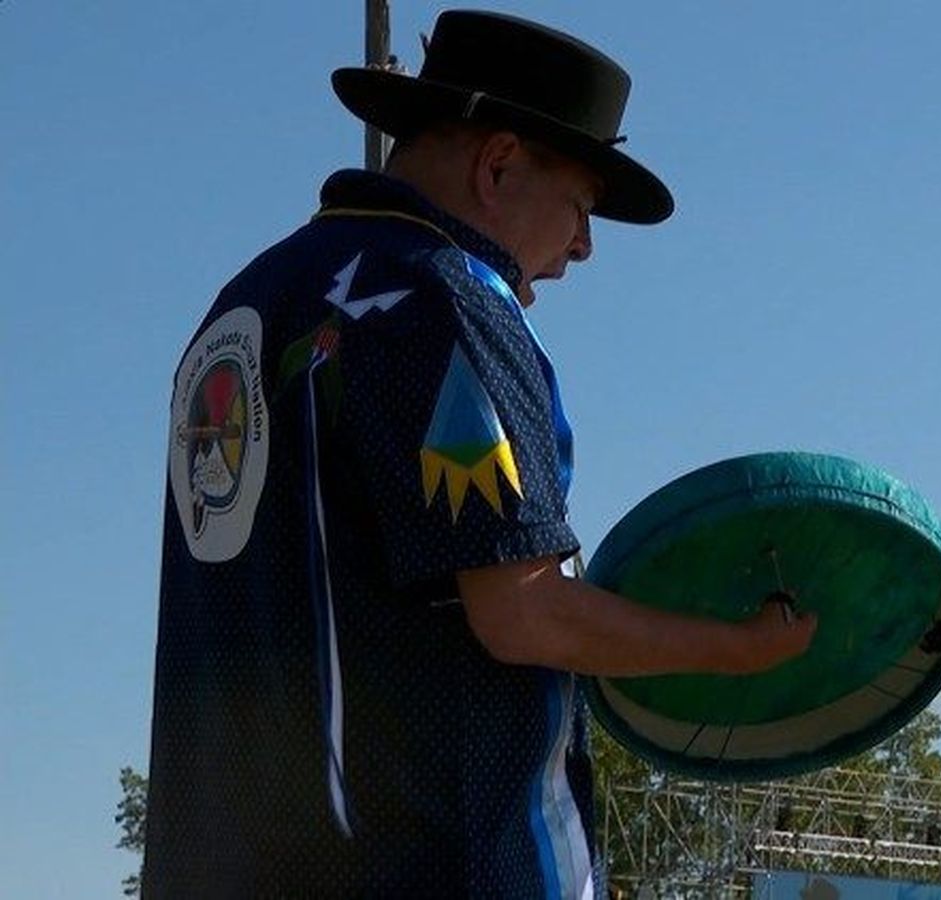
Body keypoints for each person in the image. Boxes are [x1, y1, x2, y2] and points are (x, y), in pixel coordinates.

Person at [143, 10, 816, 896]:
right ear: (498, 165)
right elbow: (522, 611)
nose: (583, 245)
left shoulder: (247, 303)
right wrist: (735, 651)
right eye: (580, 204)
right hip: (432, 864)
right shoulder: (444, 297)